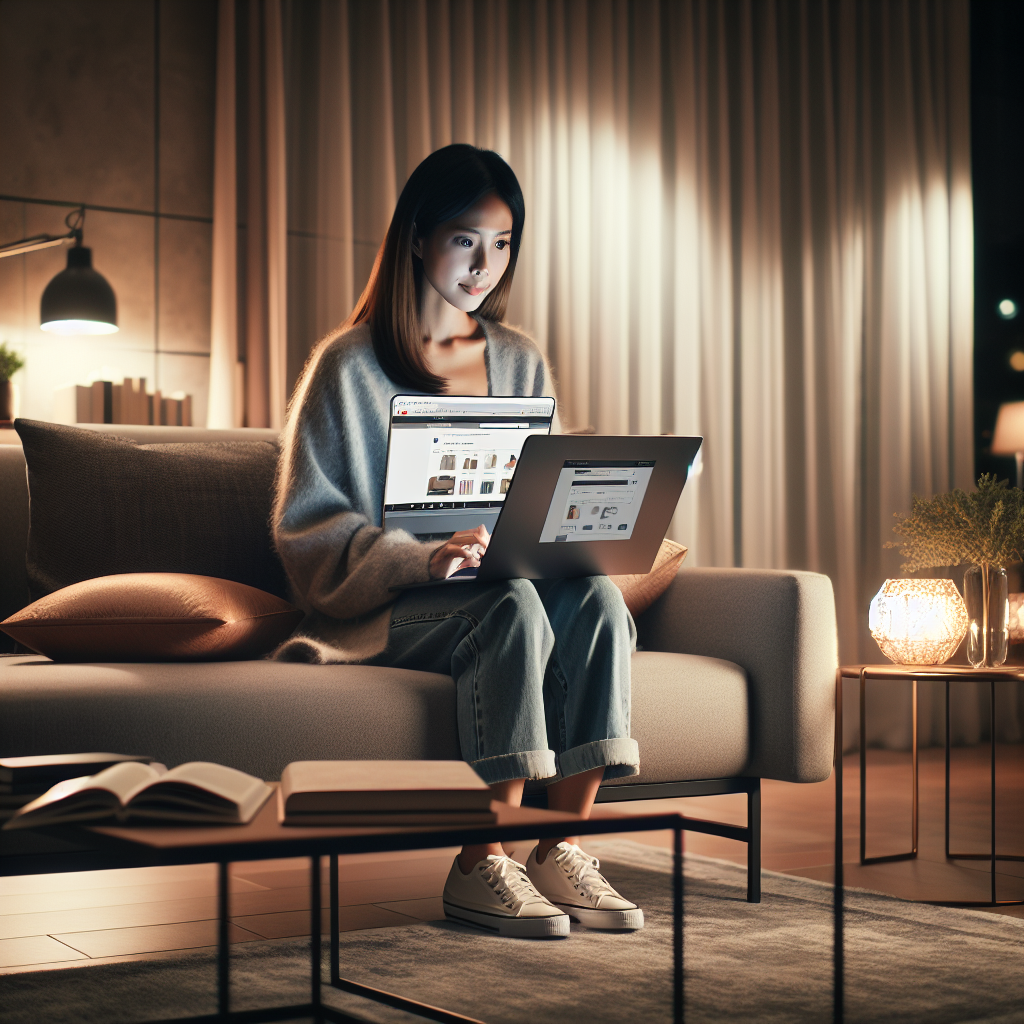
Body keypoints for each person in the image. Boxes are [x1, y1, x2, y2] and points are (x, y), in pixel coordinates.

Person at [273, 144, 642, 939]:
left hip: (504, 580)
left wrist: (587, 520)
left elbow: (546, 487)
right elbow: (309, 532)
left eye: (502, 243)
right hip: (395, 609)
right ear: (417, 237)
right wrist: (424, 557)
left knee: (599, 600)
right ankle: (481, 862)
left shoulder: (521, 359)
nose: (484, 265)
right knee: (506, 605)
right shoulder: (348, 367)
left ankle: (557, 845)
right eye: (465, 239)